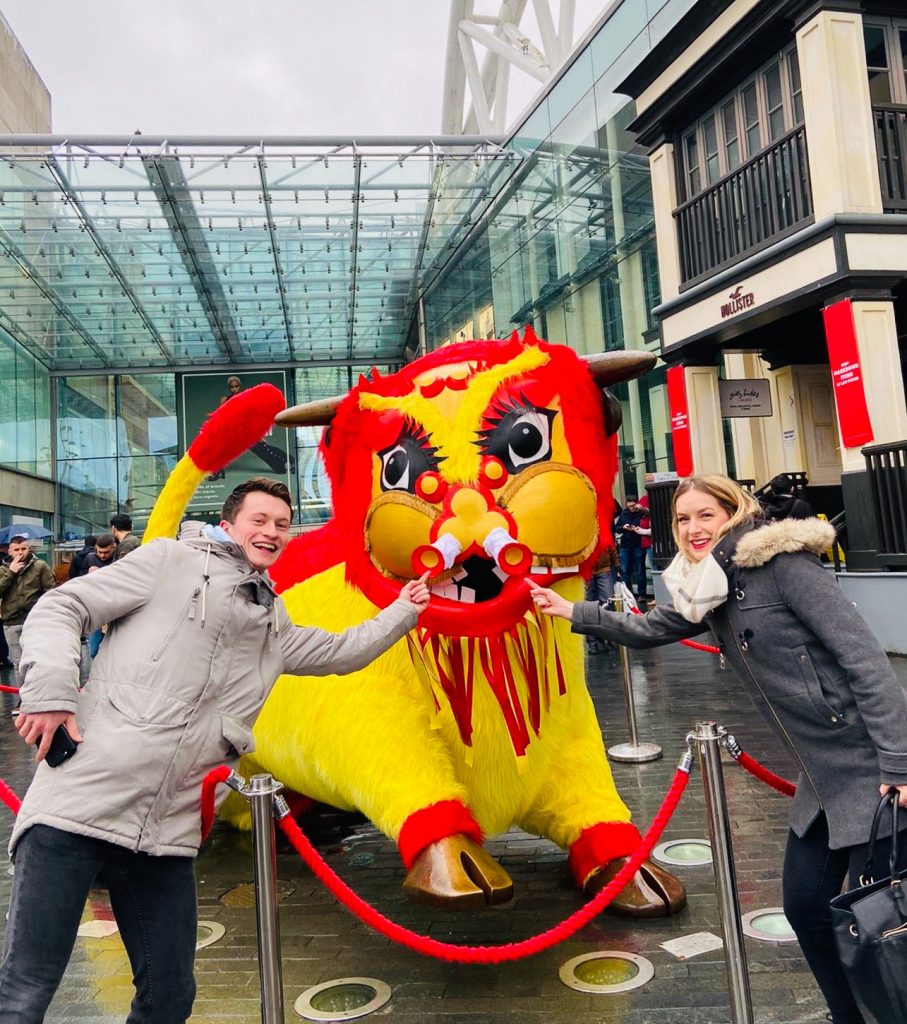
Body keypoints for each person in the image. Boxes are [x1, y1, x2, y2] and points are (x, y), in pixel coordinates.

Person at [0, 476, 431, 1024]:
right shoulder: (168, 562)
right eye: (260, 520)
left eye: (281, 524)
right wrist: (52, 692)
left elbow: (342, 651)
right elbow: (62, 606)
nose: (271, 532)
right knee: (24, 994)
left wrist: (404, 609)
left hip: (166, 837)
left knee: (169, 998)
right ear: (228, 525)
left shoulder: (272, 621)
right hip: (76, 811)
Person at [528, 474, 907, 1024]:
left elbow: (866, 661)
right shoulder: (709, 584)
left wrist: (898, 763)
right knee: (806, 907)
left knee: (885, 926)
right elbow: (654, 626)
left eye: (705, 514)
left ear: (734, 512)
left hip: (869, 771)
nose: (693, 528)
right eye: (682, 519)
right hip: (821, 781)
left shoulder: (781, 567)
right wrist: (573, 613)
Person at [0, 535, 55, 683]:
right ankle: (24, 697)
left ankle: (40, 692)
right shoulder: (3, 569)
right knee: (19, 662)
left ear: (28, 549)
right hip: (11, 621)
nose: (20, 552)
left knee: (39, 659)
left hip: (35, 619)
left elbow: (50, 591)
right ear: (9, 551)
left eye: (23, 548)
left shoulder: (40, 566)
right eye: (16, 549)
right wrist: (11, 573)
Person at [83, 534, 117, 658]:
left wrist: (102, 573)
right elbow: (78, 579)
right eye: (100, 552)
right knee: (94, 649)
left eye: (106, 552)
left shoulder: (118, 559)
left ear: (114, 548)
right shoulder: (90, 558)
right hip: (95, 606)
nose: (102, 555)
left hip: (114, 607)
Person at [614, 494, 648, 604]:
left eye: (633, 506)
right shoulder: (624, 513)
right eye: (629, 506)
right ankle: (628, 594)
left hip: (638, 544)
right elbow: (617, 528)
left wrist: (639, 529)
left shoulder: (642, 513)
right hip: (626, 545)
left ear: (637, 504)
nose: (631, 508)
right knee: (625, 571)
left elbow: (647, 525)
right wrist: (623, 527)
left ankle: (642, 594)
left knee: (640, 570)